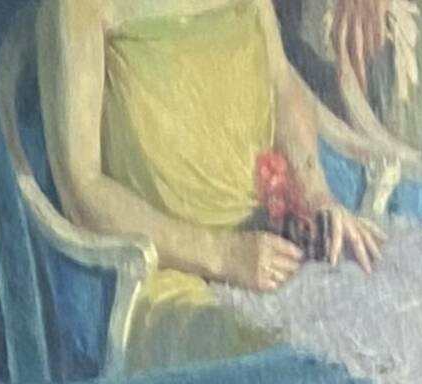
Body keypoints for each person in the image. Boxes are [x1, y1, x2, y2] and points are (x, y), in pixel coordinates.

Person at [32, 0, 382, 303]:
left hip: (272, 249)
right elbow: (81, 189)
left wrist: (316, 194)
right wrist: (223, 254)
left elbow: (282, 85)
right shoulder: (79, 8)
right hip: (163, 275)